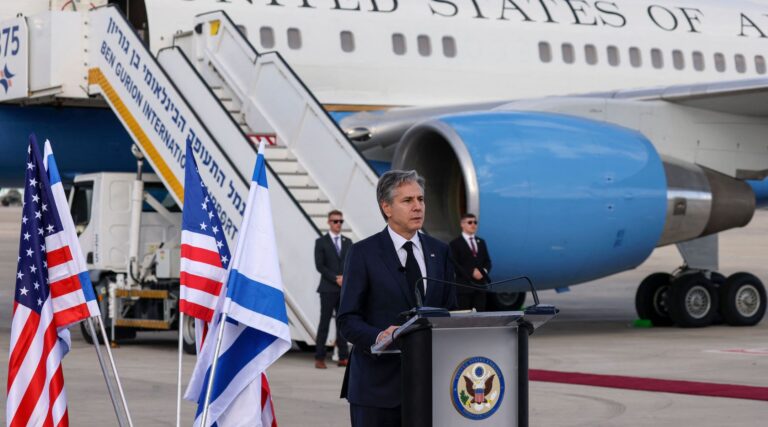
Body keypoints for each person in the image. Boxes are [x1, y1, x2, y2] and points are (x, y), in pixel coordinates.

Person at [338, 170, 456, 427]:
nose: (418, 207)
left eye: (421, 199)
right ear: (387, 207)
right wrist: (381, 336)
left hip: (431, 388)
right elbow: (347, 319)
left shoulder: (440, 252)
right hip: (377, 389)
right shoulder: (363, 253)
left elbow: (451, 311)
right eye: (408, 200)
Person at [313, 210, 352, 369]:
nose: (338, 224)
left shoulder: (348, 242)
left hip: (343, 289)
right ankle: (319, 357)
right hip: (328, 288)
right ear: (329, 222)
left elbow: (351, 263)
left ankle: (343, 357)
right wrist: (336, 278)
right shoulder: (321, 242)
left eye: (340, 221)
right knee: (324, 323)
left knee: (342, 322)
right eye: (335, 221)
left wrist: (345, 278)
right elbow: (319, 265)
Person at [449, 213, 492, 311]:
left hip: (480, 288)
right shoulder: (455, 243)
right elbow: (454, 265)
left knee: (480, 315)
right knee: (464, 316)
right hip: (464, 288)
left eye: (475, 222)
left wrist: (483, 272)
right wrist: (471, 272)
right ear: (462, 224)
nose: (473, 225)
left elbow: (488, 261)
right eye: (470, 222)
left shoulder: (481, 242)